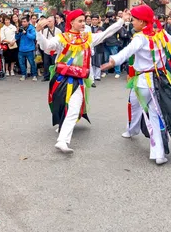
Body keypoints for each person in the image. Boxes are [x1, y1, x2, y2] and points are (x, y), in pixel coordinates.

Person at [101, 5, 171, 165]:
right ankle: (154, 151)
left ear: (143, 22)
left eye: (135, 19)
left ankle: (138, 136)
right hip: (158, 81)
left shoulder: (140, 38)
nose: (132, 21)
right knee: (149, 113)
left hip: (143, 83)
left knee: (141, 109)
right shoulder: (161, 34)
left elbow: (127, 52)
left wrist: (113, 60)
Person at [35, 9, 130, 153]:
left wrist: (121, 21)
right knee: (64, 106)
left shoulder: (88, 37)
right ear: (71, 22)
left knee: (74, 108)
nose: (83, 24)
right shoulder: (62, 37)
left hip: (79, 79)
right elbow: (47, 47)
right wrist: (38, 32)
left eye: (83, 21)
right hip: (62, 79)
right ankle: (62, 136)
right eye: (79, 21)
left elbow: (106, 33)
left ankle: (62, 140)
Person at [38, 16, 61, 82]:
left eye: (50, 21)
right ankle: (46, 76)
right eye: (47, 21)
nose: (48, 23)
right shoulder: (44, 30)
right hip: (47, 51)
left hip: (55, 51)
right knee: (46, 64)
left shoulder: (58, 31)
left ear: (53, 22)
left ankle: (55, 76)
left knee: (55, 64)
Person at [16, 16, 37, 81]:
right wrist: (17, 32)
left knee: (32, 63)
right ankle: (23, 75)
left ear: (28, 22)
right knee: (21, 63)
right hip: (21, 49)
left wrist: (26, 33)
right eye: (22, 22)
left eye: (24, 21)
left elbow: (33, 37)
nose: (23, 23)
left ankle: (34, 75)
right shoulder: (21, 28)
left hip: (30, 49)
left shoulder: (32, 28)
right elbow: (17, 38)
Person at [89, 14, 104, 83]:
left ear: (98, 20)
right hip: (91, 46)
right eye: (93, 20)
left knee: (98, 60)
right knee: (91, 61)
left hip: (99, 46)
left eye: (96, 20)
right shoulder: (88, 28)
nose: (94, 21)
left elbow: (104, 37)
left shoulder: (101, 28)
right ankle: (91, 75)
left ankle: (97, 75)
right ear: (91, 20)